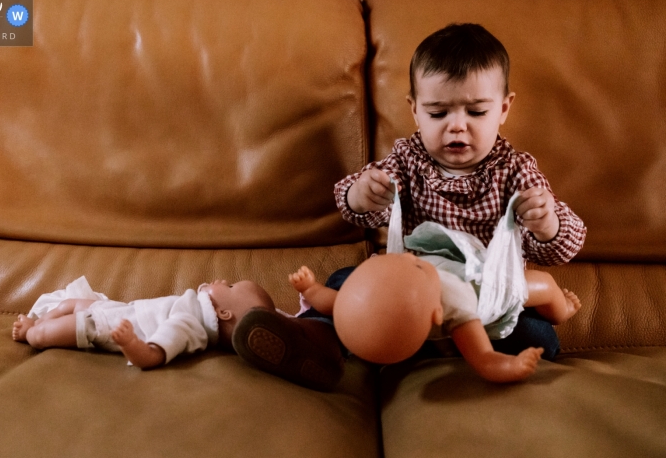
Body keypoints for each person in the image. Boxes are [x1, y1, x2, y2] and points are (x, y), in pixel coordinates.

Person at [232, 22, 586, 390]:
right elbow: (354, 206)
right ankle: (313, 340)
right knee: (346, 282)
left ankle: (448, 348)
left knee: (540, 337)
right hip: (407, 297)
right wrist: (362, 194)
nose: (457, 127)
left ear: (504, 109)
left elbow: (565, 246)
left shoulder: (517, 172)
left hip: (484, 304)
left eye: (476, 112)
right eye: (438, 113)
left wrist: (548, 225)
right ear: (415, 111)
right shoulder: (407, 159)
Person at [288, 254, 580, 383]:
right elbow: (483, 359)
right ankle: (562, 310)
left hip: (418, 322)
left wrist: (311, 288)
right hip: (486, 289)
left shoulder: (399, 295)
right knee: (543, 284)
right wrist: (511, 367)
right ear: (437, 313)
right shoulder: (458, 304)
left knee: (343, 282)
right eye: (416, 265)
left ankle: (312, 334)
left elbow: (335, 303)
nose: (408, 256)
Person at [12, 276, 276, 370]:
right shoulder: (195, 306)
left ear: (225, 314)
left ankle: (31, 333)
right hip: (119, 309)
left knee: (45, 335)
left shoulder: (192, 323)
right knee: (66, 305)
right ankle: (37, 320)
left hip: (106, 326)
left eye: (230, 285)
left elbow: (154, 354)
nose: (222, 280)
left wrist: (131, 343)